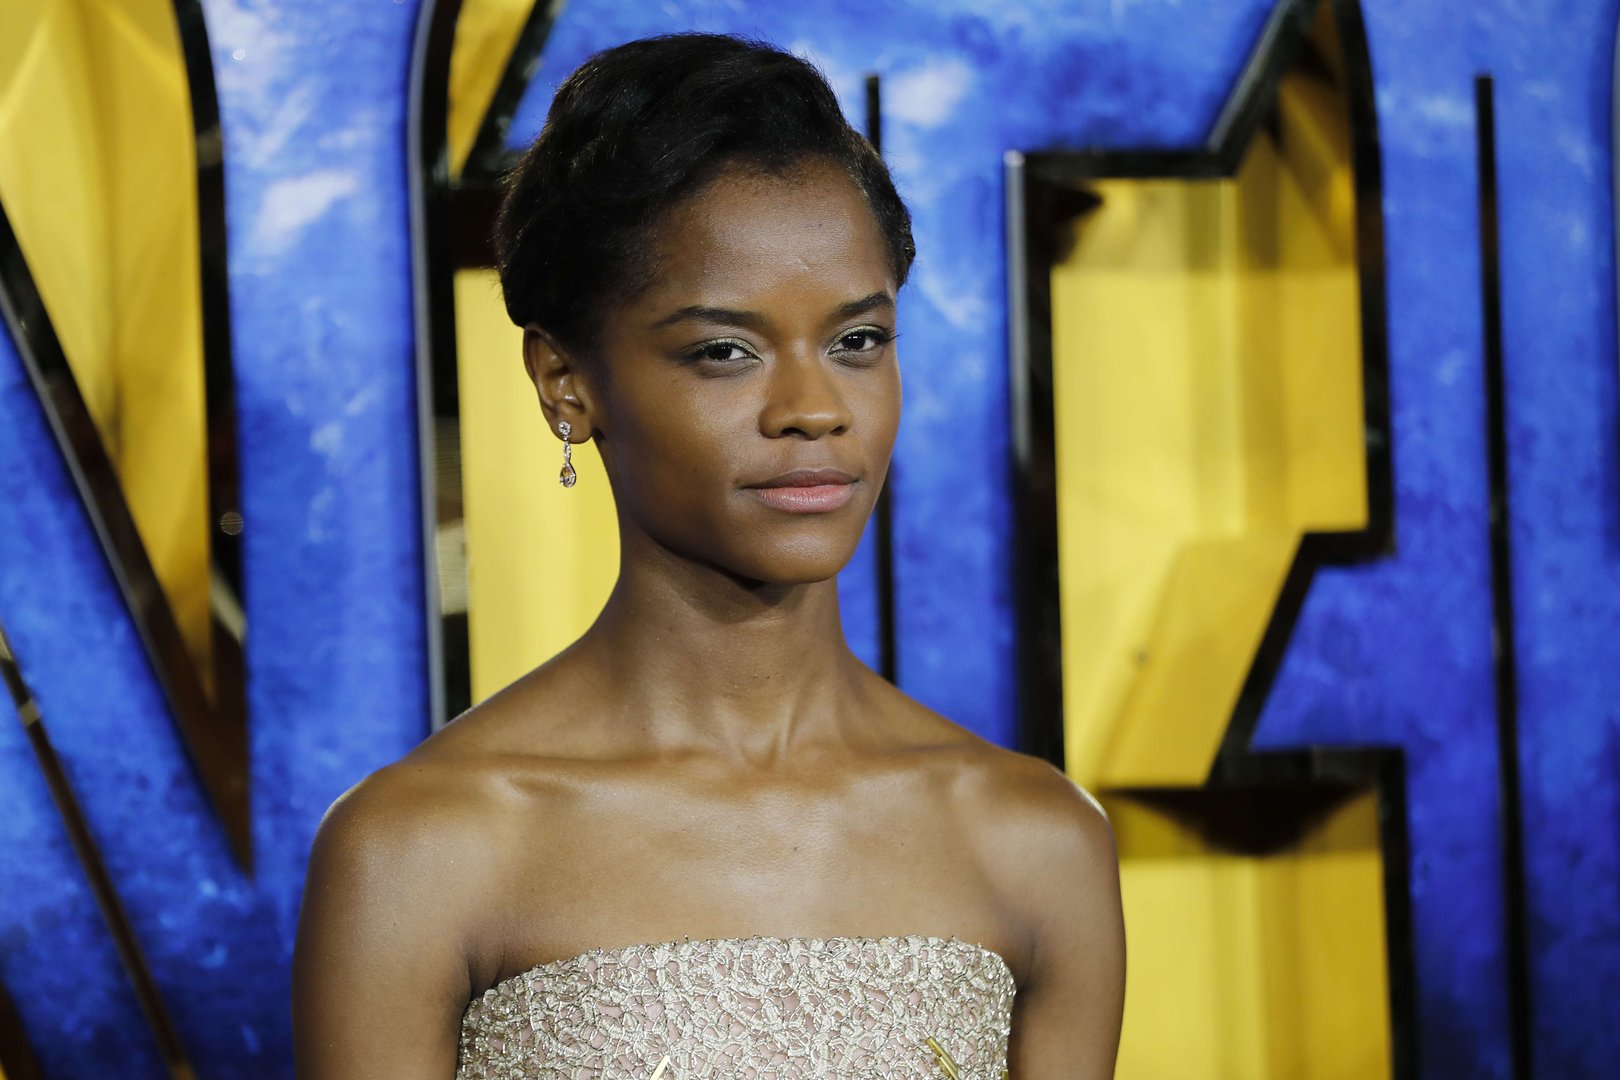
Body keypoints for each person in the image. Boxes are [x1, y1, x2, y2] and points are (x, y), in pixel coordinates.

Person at [292, 32, 1124, 1079]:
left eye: (857, 341)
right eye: (725, 351)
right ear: (564, 383)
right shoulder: (422, 849)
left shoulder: (1035, 841)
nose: (813, 409)